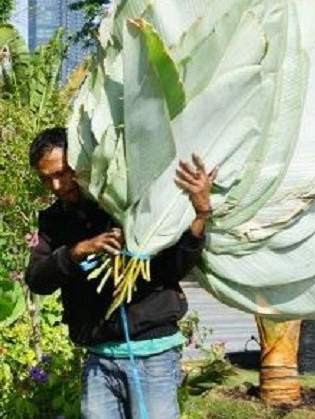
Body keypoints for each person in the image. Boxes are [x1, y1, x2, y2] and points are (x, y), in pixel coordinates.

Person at [25, 127, 216, 419]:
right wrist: (77, 251)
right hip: (100, 356)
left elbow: (171, 268)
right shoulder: (53, 221)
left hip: (153, 354)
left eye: (62, 173)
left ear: (81, 162)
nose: (57, 185)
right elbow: (37, 279)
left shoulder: (126, 203)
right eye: (46, 178)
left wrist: (201, 215)